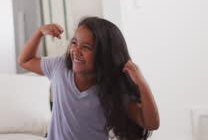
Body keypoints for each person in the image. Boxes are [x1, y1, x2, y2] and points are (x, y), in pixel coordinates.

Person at [19, 17, 160, 140]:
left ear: (104, 55)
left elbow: (151, 123)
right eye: (74, 43)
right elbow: (25, 61)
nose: (76, 51)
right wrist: (39, 33)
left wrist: (142, 84)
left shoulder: (112, 89)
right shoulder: (60, 67)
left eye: (86, 47)